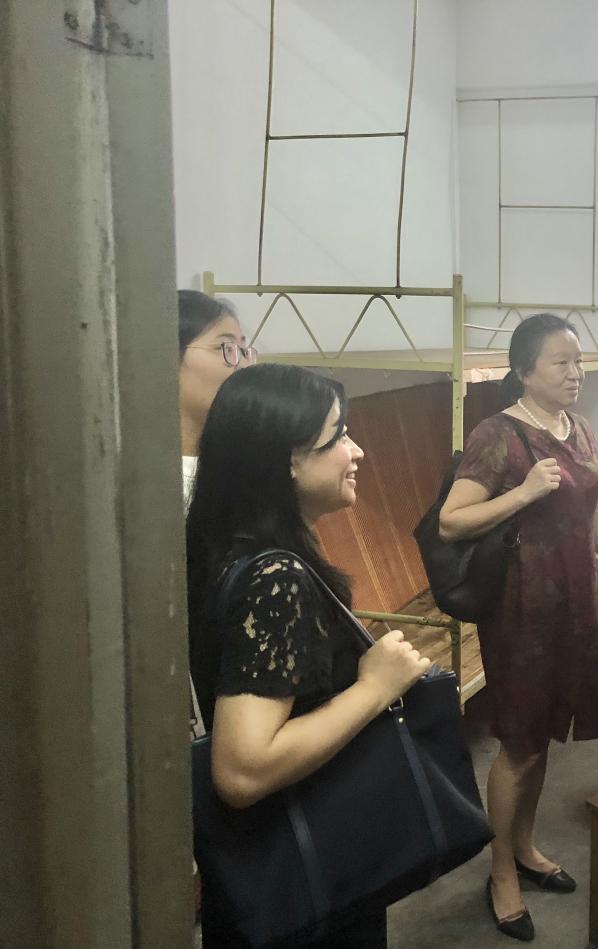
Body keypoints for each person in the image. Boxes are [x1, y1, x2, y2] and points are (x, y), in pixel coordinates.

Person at [187, 363, 430, 947]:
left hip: (270, 873)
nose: (357, 450)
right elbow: (242, 770)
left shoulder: (224, 545)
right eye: (338, 436)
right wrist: (375, 687)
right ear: (287, 462)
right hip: (301, 878)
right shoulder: (275, 578)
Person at [439, 313, 598, 942]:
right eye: (561, 362)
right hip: (521, 613)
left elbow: (596, 517)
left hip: (574, 607)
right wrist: (523, 492)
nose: (575, 373)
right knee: (518, 742)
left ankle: (526, 845)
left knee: (544, 739)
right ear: (524, 370)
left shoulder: (579, 429)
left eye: (578, 361)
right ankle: (501, 871)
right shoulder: (498, 435)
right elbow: (452, 521)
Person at [178, 289, 254, 508]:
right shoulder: (138, 476)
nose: (243, 365)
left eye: (243, 350)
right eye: (226, 348)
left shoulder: (249, 461)